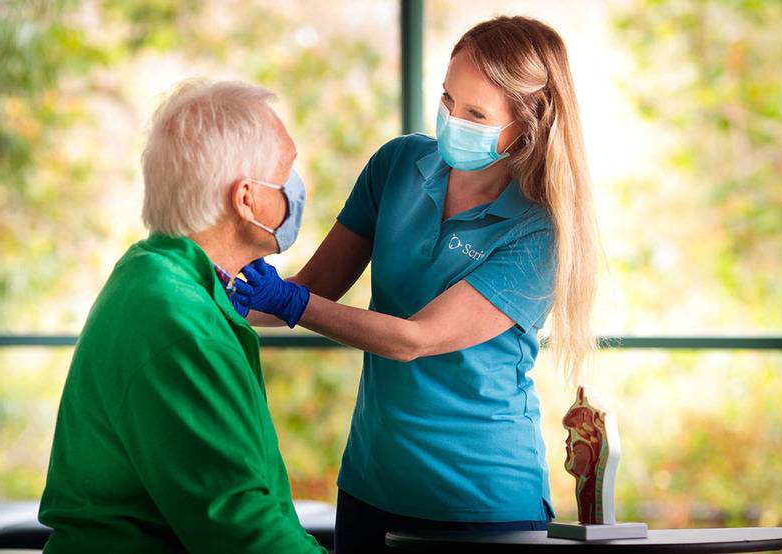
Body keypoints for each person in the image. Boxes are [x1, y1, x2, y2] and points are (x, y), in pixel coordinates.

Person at [232, 15, 600, 553]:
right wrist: (213, 291)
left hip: (478, 501)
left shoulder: (538, 229)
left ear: (529, 123)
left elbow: (416, 339)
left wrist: (289, 302)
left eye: (475, 113)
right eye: (448, 99)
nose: (452, 120)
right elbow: (316, 285)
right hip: (370, 483)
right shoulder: (398, 165)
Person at [38, 80, 325, 554]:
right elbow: (239, 529)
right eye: (288, 170)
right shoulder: (177, 324)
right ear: (246, 197)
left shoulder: (155, 275)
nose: (296, 187)